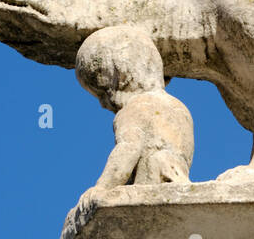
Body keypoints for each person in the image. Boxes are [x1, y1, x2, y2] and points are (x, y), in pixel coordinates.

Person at [74, 26, 193, 188]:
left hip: (148, 183)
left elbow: (128, 150)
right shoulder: (179, 108)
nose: (103, 104)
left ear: (120, 75)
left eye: (102, 92)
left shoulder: (135, 108)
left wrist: (101, 189)